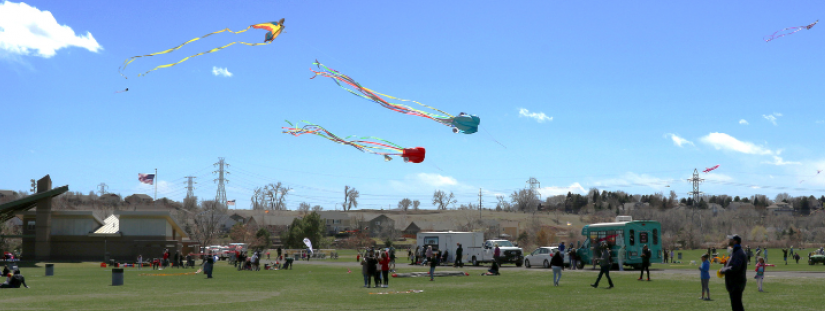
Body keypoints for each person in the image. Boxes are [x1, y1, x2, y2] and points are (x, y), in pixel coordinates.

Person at [719, 234, 747, 311]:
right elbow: (731, 265)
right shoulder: (735, 252)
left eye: (730, 239)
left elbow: (735, 267)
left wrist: (723, 270)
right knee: (736, 305)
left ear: (735, 241)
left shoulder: (739, 253)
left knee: (737, 306)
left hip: (736, 284)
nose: (729, 241)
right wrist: (725, 264)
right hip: (734, 284)